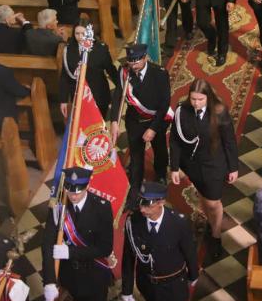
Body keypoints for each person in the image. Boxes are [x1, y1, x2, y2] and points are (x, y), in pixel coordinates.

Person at [42, 168, 115, 301]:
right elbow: (47, 246)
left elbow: (105, 247)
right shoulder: (58, 208)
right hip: (71, 277)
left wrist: (71, 252)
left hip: (94, 275)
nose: (73, 195)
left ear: (87, 186)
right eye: (70, 190)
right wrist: (49, 281)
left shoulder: (101, 207)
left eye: (78, 191)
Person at [170, 79, 238, 260]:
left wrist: (233, 167)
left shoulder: (219, 112)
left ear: (208, 97)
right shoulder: (182, 111)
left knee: (213, 203)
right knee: (203, 196)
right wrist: (175, 167)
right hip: (192, 165)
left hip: (214, 165)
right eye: (193, 99)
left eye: (200, 99)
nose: (196, 103)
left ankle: (215, 234)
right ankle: (210, 221)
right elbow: (175, 140)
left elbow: (229, 141)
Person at [110, 43, 172, 197]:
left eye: (137, 61)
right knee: (136, 155)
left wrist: (153, 129)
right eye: (130, 61)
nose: (133, 65)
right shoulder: (124, 72)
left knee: (160, 150)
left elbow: (164, 103)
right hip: (135, 121)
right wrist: (114, 121)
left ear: (145, 58)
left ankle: (161, 175)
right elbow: (118, 96)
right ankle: (135, 186)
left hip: (155, 120)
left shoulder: (160, 73)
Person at [60, 23, 120, 120]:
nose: (80, 37)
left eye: (83, 34)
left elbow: (110, 70)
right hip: (78, 96)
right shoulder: (68, 49)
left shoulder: (100, 49)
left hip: (98, 95)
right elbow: (64, 75)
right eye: (77, 33)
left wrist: (121, 87)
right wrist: (63, 100)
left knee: (98, 124)